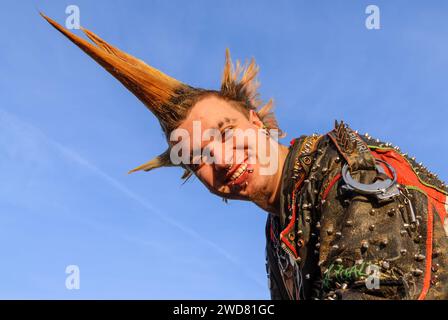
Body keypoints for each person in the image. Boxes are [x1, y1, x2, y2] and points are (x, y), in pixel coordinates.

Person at [41, 13, 448, 300]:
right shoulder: (278, 231)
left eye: (224, 131)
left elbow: (374, 285)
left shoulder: (338, 167)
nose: (220, 158)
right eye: (196, 156)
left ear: (255, 121)